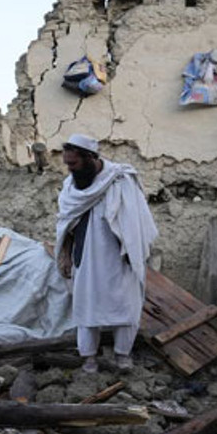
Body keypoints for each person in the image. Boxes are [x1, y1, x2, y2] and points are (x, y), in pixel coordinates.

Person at [55, 133, 158, 373]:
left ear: (90, 157)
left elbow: (137, 221)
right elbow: (66, 224)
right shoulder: (70, 187)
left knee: (126, 304)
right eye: (67, 164)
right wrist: (65, 255)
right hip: (86, 259)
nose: (70, 169)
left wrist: (133, 251)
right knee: (86, 305)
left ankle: (123, 356)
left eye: (74, 163)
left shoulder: (120, 180)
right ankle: (89, 358)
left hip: (120, 258)